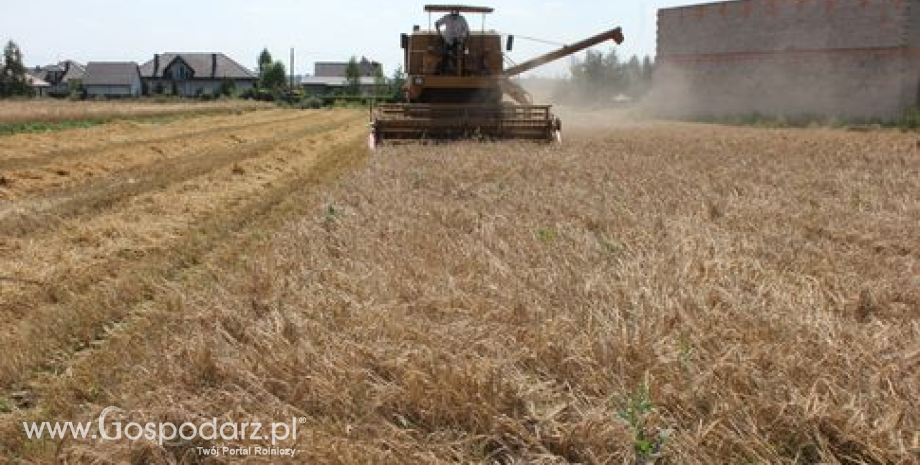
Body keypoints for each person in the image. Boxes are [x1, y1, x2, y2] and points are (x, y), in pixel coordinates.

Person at [435, 9, 470, 74]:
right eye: (453, 11)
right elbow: (437, 23)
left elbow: (466, 29)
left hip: (458, 41)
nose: (454, 13)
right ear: (451, 12)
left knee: (461, 56)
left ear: (458, 12)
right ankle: (443, 71)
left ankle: (461, 71)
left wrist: (462, 36)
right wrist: (439, 33)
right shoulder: (446, 17)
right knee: (444, 55)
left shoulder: (462, 19)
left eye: (456, 11)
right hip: (448, 41)